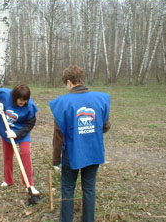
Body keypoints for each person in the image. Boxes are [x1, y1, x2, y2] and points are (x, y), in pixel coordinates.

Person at [50, 65, 111, 222]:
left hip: (73, 154)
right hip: (94, 152)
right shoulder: (100, 99)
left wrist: (56, 160)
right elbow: (105, 127)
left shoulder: (62, 103)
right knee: (89, 188)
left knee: (68, 189)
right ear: (81, 80)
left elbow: (59, 135)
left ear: (69, 82)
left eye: (66, 84)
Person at [0, 84, 39, 195]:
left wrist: (17, 134)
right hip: (6, 129)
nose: (23, 102)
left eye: (25, 100)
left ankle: (29, 184)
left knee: (26, 153)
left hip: (21, 131)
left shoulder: (30, 106)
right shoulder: (5, 95)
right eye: (21, 100)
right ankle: (8, 180)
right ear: (15, 97)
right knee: (7, 156)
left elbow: (30, 123)